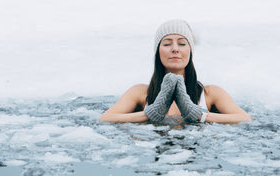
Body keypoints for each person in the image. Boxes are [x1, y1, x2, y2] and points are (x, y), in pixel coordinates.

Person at [99, 19, 252, 124]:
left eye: (182, 43)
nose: (175, 49)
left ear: (190, 51)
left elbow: (244, 118)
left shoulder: (209, 93)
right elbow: (105, 118)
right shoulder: (140, 92)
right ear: (158, 52)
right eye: (166, 44)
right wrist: (150, 114)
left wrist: (199, 115)